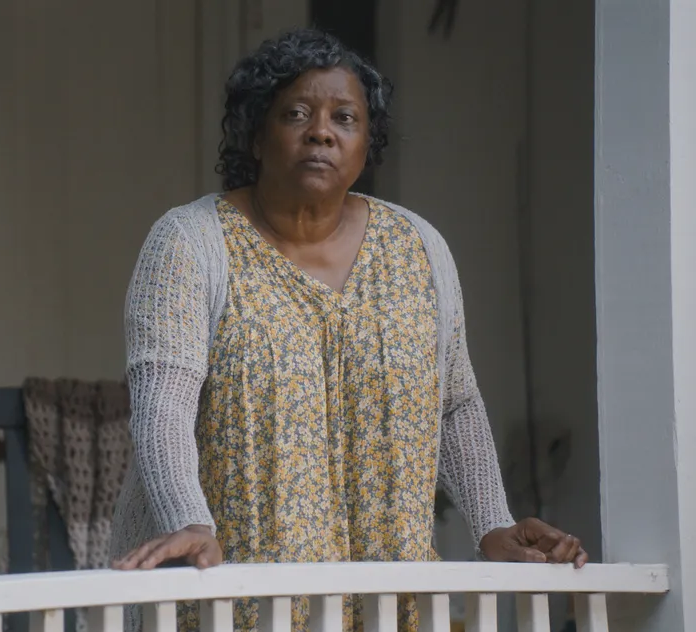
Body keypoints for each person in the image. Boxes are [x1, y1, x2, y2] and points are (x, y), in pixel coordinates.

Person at [108, 28, 587, 632]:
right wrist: (192, 522)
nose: (321, 131)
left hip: (385, 601)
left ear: (366, 146)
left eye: (345, 118)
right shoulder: (190, 244)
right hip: (227, 600)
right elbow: (164, 409)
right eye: (297, 114)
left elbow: (455, 404)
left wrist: (492, 524)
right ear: (256, 134)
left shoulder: (418, 247)